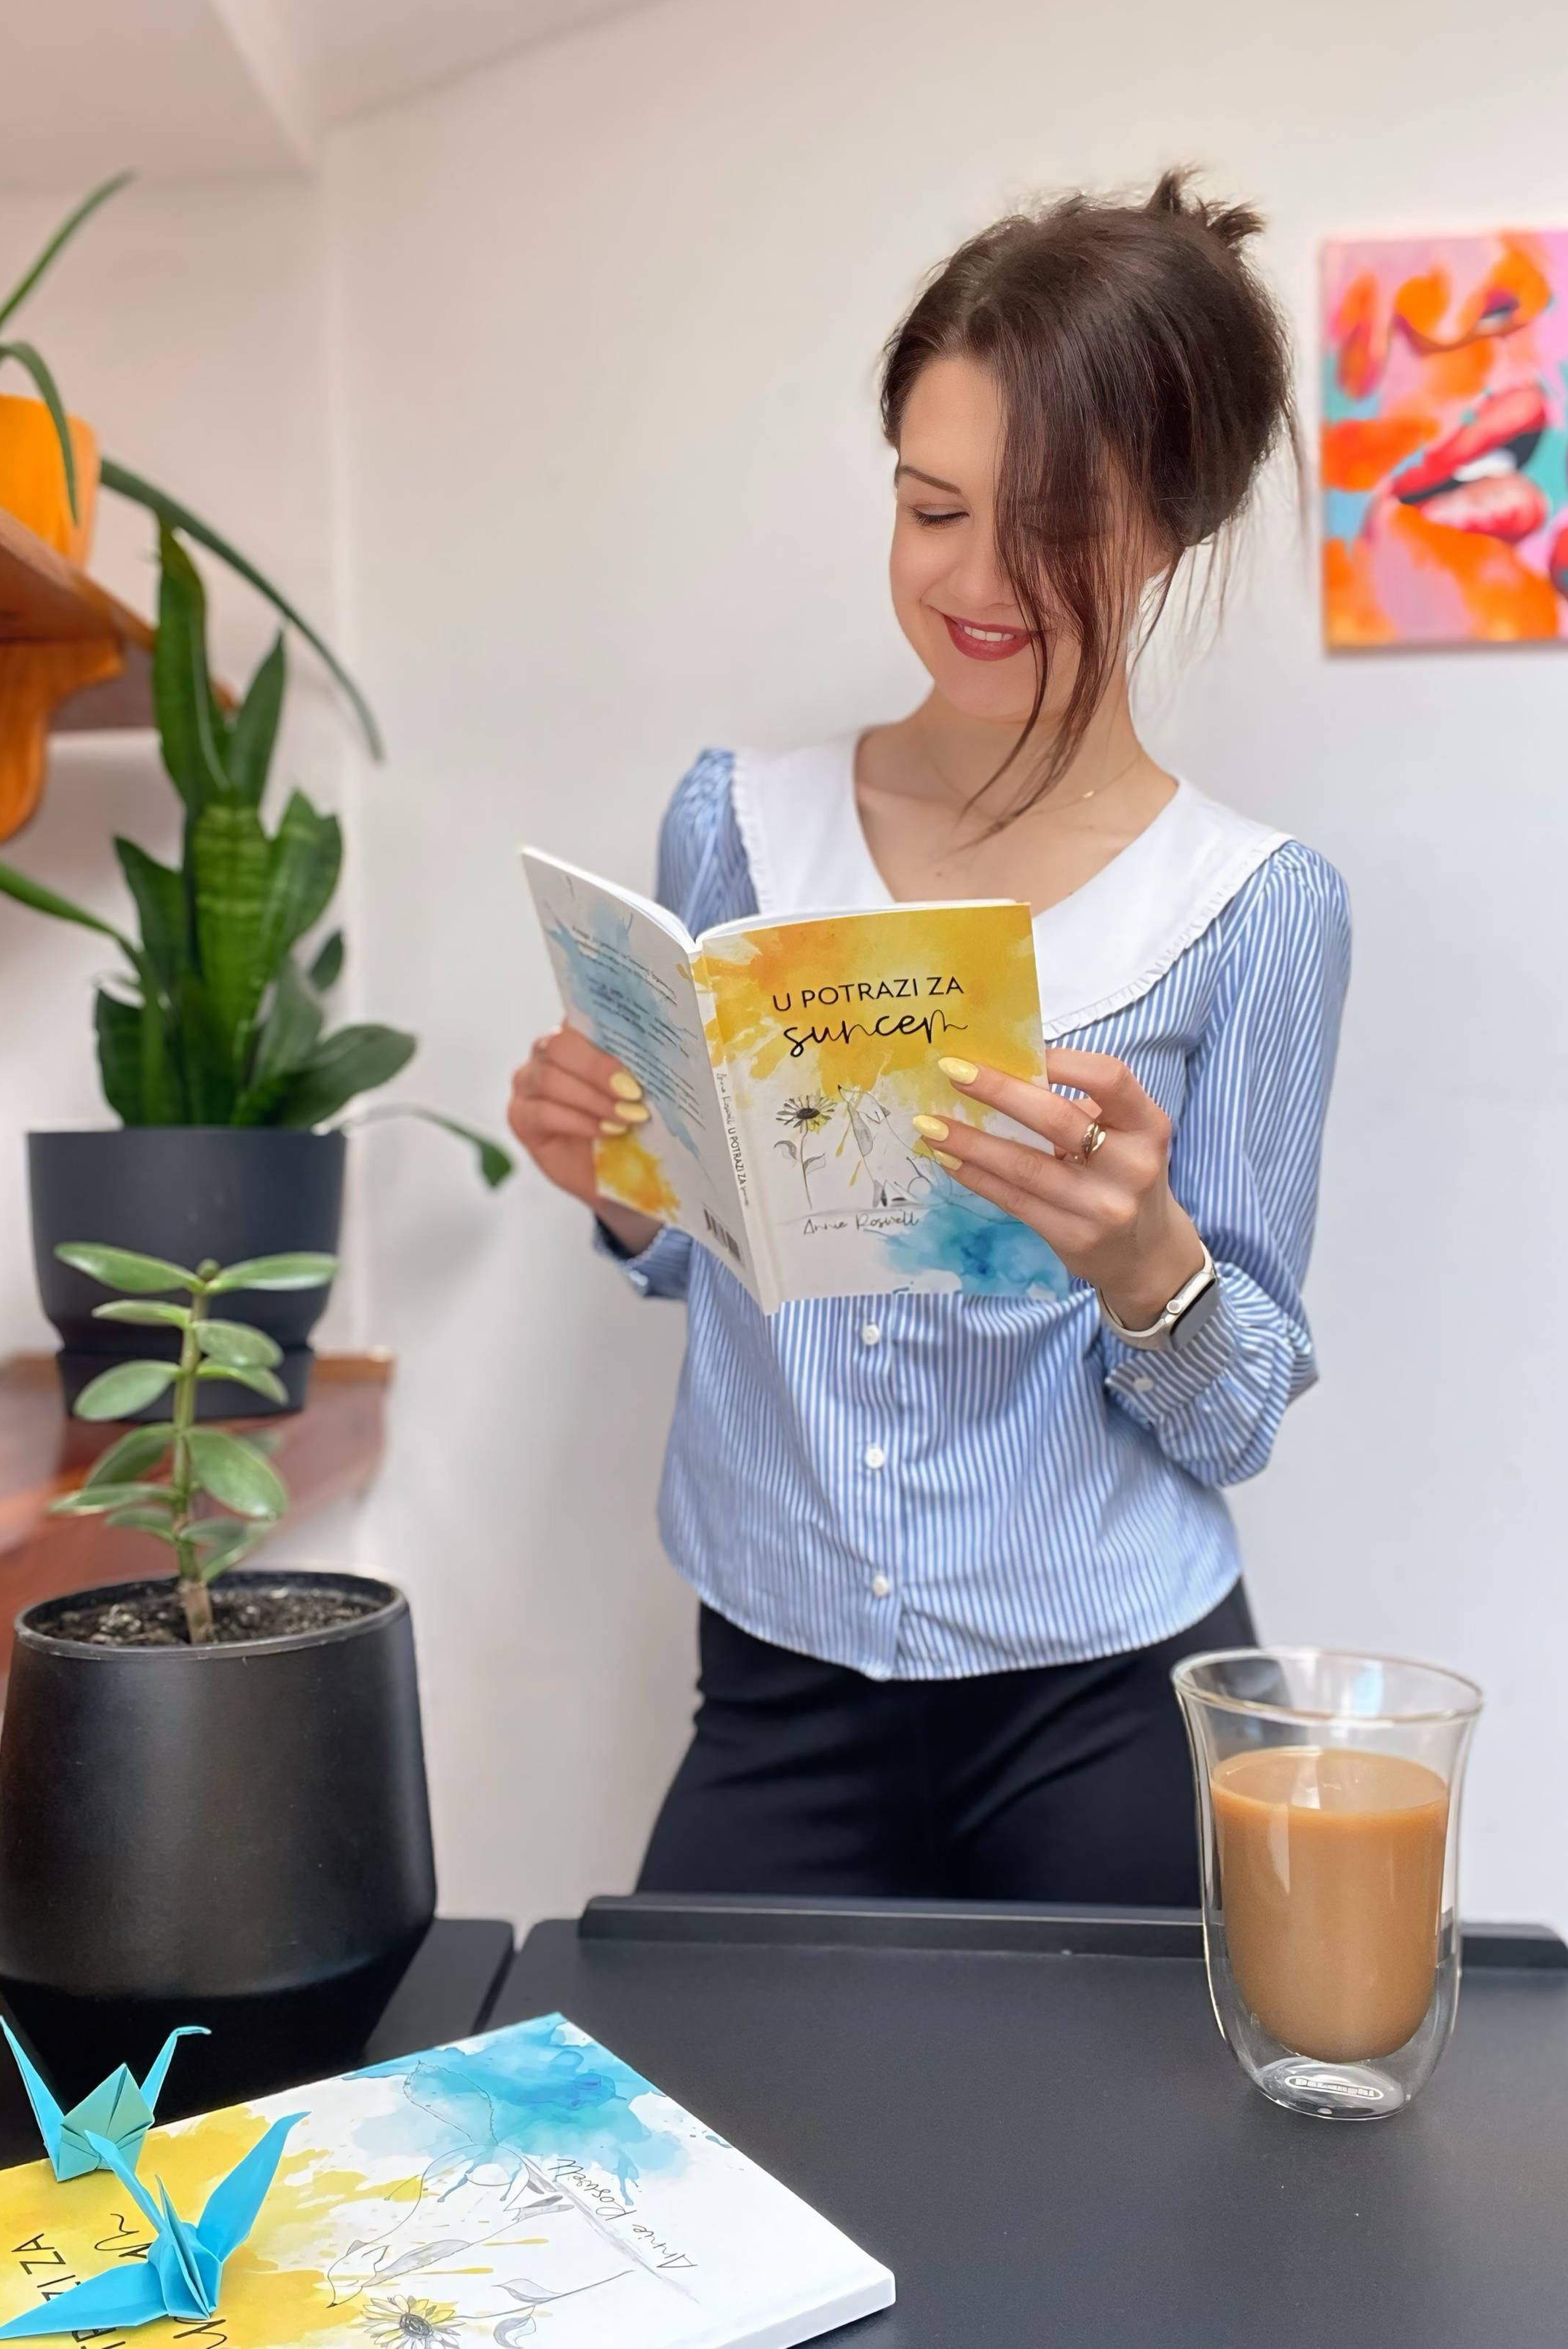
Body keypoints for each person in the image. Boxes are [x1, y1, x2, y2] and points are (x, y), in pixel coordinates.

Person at [507, 172, 1350, 1906]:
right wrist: (616, 1175)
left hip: (1104, 1694)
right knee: (693, 2074)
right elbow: (713, 1252)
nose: (973, 580)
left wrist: (1144, 1261)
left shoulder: (1255, 910)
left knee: (1125, 2101)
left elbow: (1238, 1413)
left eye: (1050, 523)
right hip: (770, 1672)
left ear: (1171, 526)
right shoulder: (734, 828)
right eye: (929, 506)